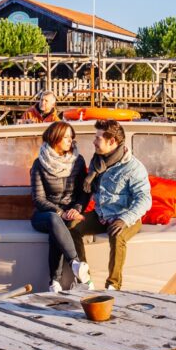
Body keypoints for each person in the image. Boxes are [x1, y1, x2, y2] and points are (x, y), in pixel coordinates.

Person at [69, 119, 151, 290]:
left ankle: (113, 285)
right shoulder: (97, 161)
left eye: (98, 138)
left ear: (112, 141)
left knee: (117, 234)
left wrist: (124, 219)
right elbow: (87, 191)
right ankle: (85, 279)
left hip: (127, 216)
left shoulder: (133, 167)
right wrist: (78, 209)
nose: (94, 141)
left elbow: (144, 199)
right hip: (102, 215)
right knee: (72, 227)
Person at [30, 121, 93, 293]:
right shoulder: (39, 164)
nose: (70, 140)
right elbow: (38, 199)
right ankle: (74, 263)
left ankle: (54, 282)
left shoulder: (78, 161)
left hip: (70, 212)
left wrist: (77, 209)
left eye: (71, 137)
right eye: (66, 137)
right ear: (55, 138)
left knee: (56, 230)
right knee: (54, 219)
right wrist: (61, 213)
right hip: (44, 214)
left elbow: (84, 192)